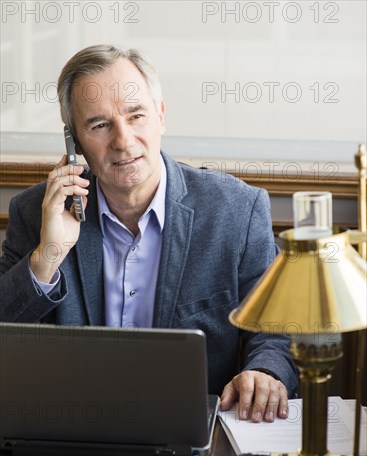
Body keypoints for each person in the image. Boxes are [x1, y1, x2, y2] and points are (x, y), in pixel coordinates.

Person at [0, 45, 298, 422]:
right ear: (73, 142)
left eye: (136, 115)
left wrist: (266, 372)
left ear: (160, 115)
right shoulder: (36, 213)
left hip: (193, 433)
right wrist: (49, 255)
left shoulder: (235, 211)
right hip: (73, 429)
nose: (123, 141)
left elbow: (277, 329)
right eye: (99, 125)